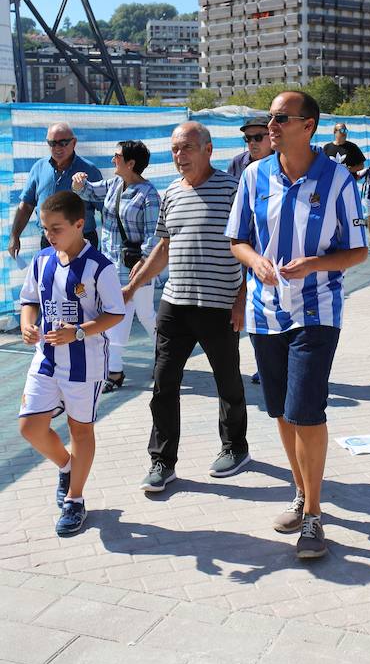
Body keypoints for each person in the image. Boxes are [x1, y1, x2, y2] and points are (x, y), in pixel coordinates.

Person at [226, 91, 368, 559]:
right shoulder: (253, 175)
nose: (270, 125)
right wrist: (256, 265)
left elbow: (359, 250)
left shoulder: (339, 179)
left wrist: (315, 264)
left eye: (280, 118)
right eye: (269, 117)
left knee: (307, 409)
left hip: (317, 311)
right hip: (266, 314)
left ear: (308, 126)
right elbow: (239, 241)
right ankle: (301, 493)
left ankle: (313, 517)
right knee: (283, 412)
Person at [123, 122, 249, 491]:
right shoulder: (171, 194)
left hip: (220, 305)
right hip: (175, 303)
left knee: (228, 381)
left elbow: (250, 246)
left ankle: (235, 447)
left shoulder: (232, 190)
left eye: (188, 148)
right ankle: (162, 461)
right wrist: (134, 285)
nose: (180, 156)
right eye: (175, 149)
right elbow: (162, 248)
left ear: (208, 150)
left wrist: (241, 300)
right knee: (163, 384)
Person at [18, 191, 125, 535]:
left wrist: (78, 332)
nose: (49, 235)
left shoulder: (101, 267)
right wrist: (26, 324)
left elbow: (115, 314)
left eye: (56, 228)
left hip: (85, 362)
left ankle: (75, 500)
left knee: (81, 430)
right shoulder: (41, 261)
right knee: (30, 427)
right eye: (45, 228)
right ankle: (67, 466)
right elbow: (29, 300)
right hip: (46, 359)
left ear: (80, 224)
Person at [72, 140, 161, 393]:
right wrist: (79, 183)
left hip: (136, 270)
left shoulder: (148, 194)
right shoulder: (114, 185)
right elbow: (88, 192)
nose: (113, 160)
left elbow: (154, 235)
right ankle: (137, 363)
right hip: (110, 268)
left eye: (117, 156)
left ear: (130, 163)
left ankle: (117, 371)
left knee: (129, 317)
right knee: (130, 315)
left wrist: (144, 262)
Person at [9, 123, 102, 258]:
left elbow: (106, 209)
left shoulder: (89, 170)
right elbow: (26, 206)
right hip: (49, 242)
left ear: (74, 143)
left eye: (63, 143)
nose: (57, 148)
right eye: (52, 143)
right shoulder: (39, 168)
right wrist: (14, 236)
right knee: (49, 279)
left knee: (81, 280)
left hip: (81, 242)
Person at [227, 117, 273, 384]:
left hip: (273, 247)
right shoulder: (238, 164)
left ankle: (279, 363)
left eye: (258, 137)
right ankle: (264, 364)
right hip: (245, 246)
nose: (253, 143)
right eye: (248, 138)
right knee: (252, 309)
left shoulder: (283, 163)